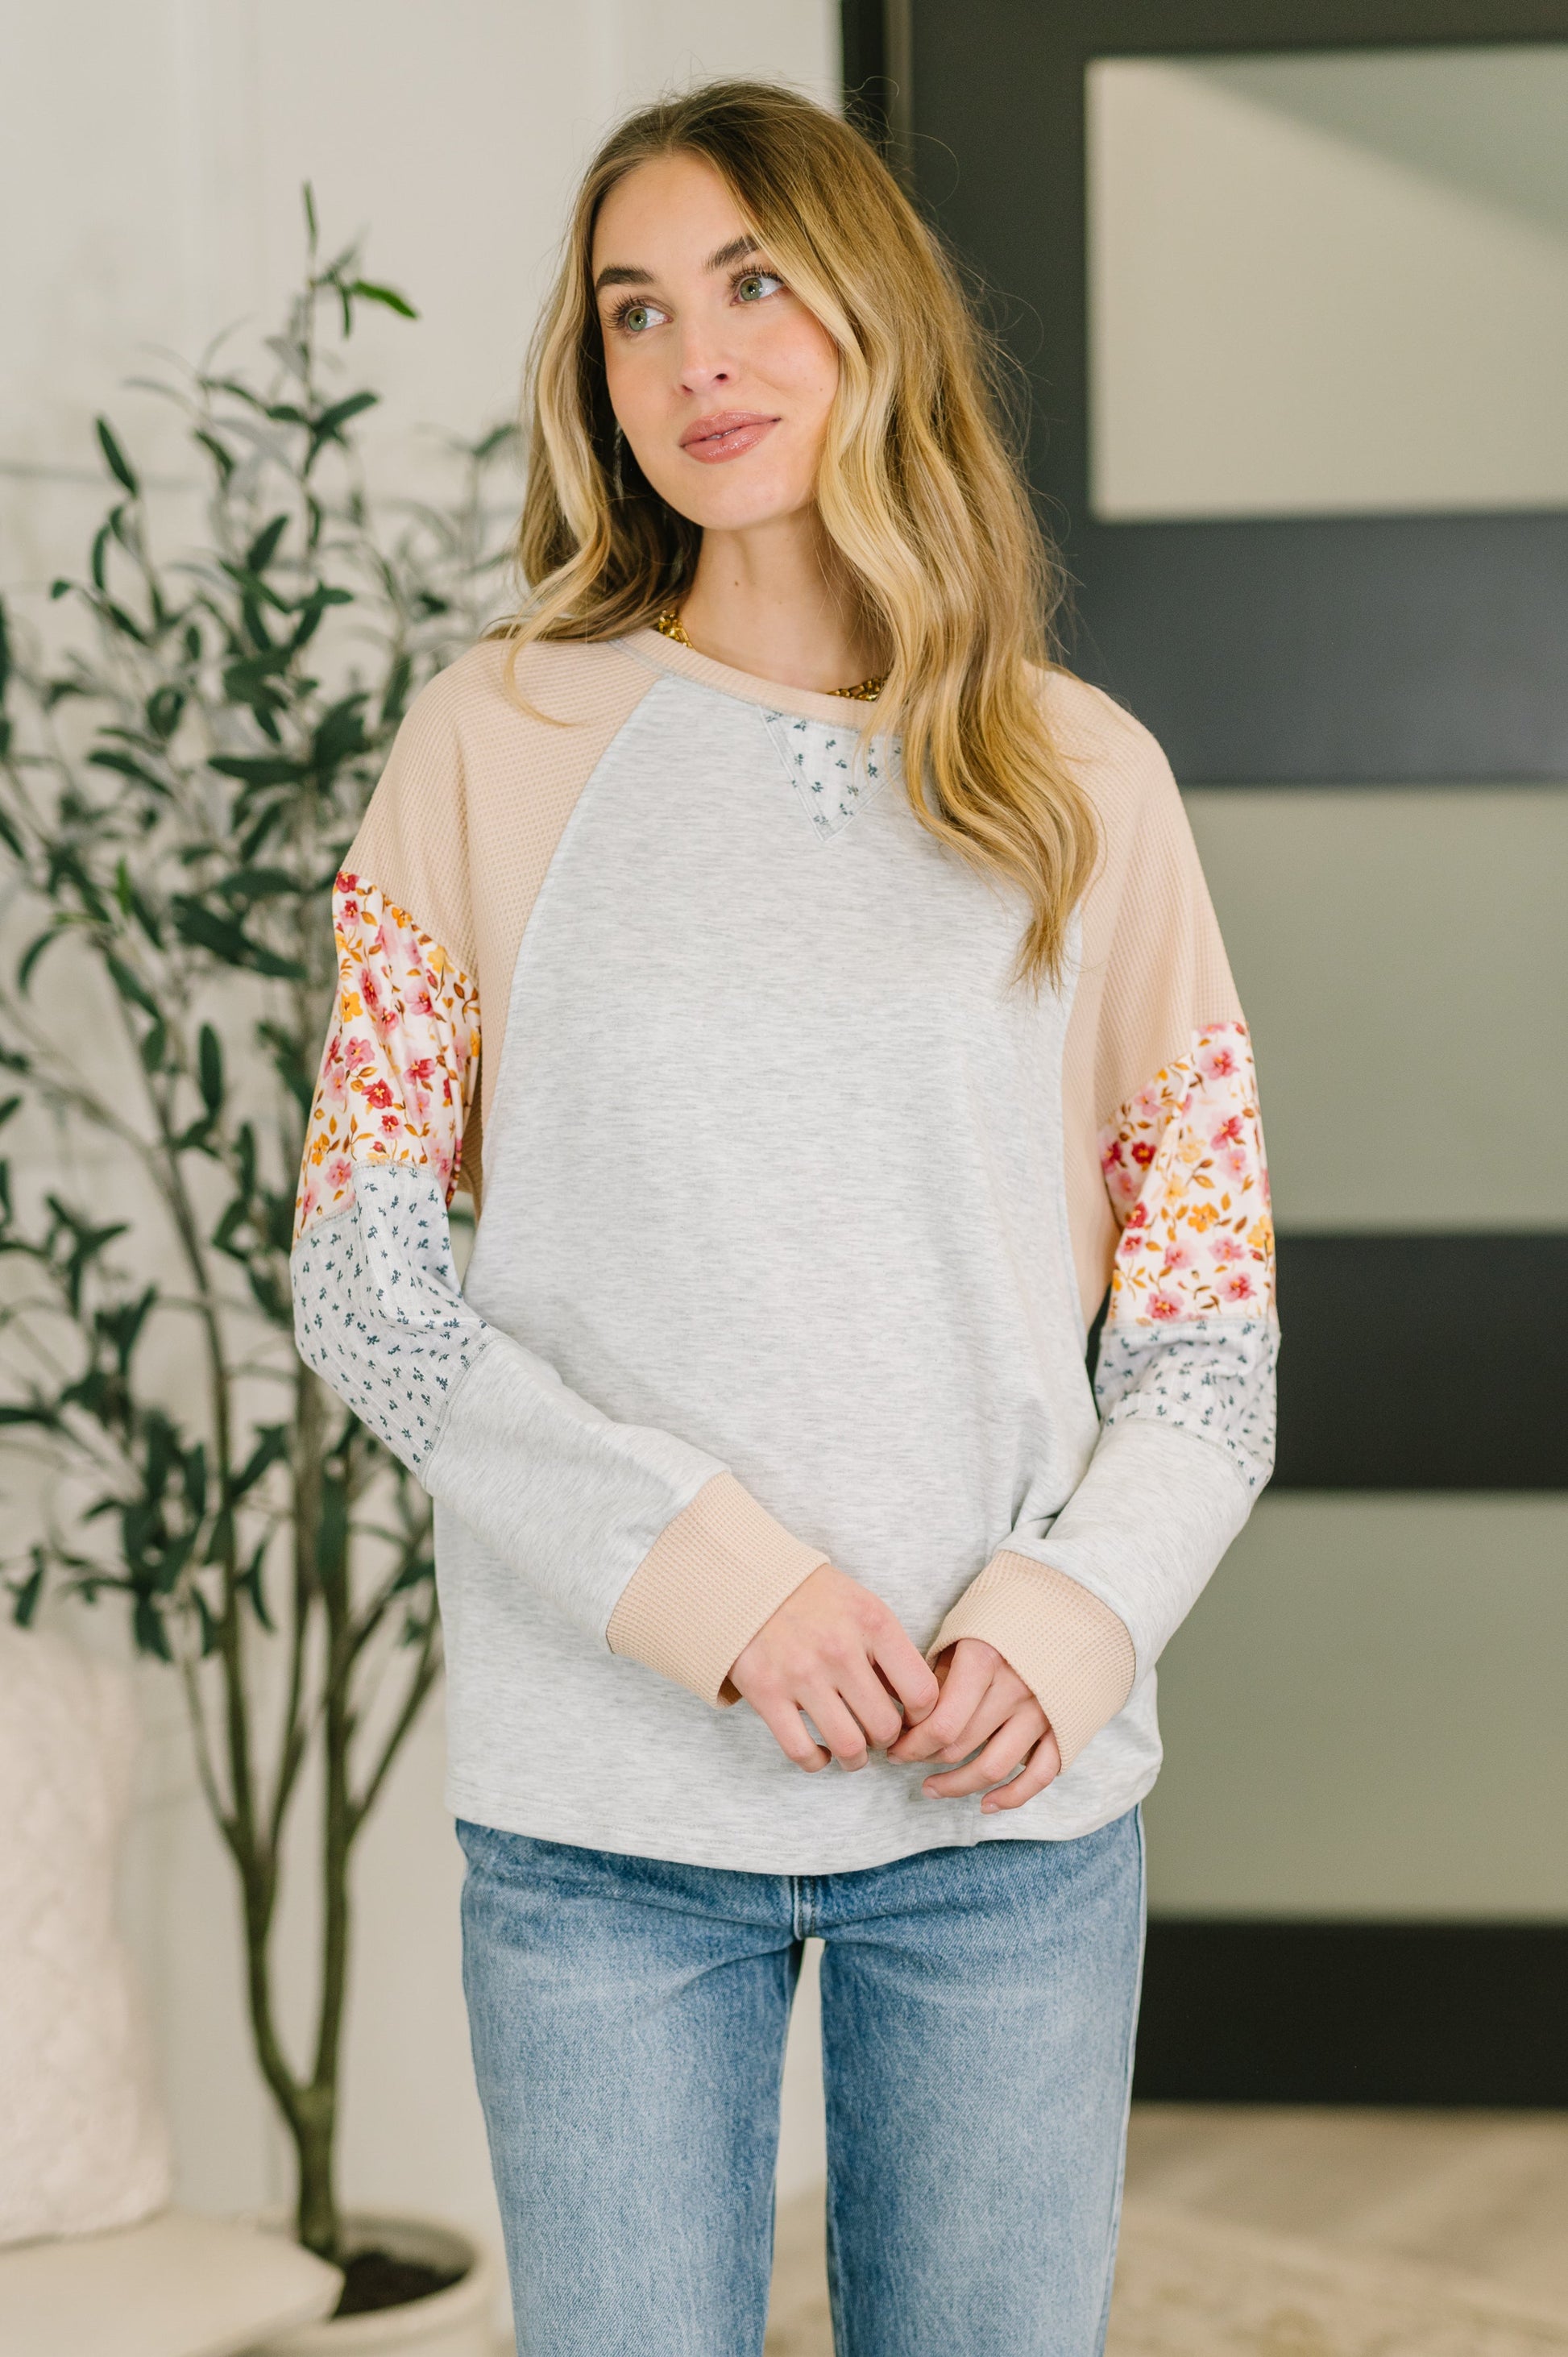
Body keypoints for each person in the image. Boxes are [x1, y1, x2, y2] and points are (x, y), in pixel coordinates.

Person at [291, 78, 1276, 2357]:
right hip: (603, 1825)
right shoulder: (495, 740)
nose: (695, 357)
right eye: (634, 310)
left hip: (997, 1805)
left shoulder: (1084, 782)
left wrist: (1074, 1621)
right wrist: (715, 1590)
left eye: (750, 284)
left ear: (870, 315)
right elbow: (362, 1275)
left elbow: (1206, 1327)